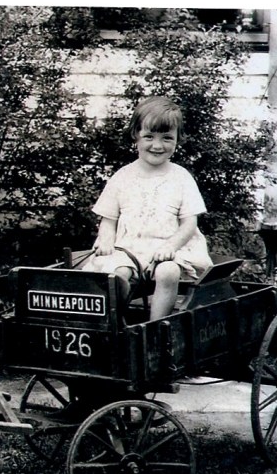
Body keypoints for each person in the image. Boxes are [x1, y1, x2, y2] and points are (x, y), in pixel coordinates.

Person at [84, 96, 212, 321]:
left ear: (177, 140)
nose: (157, 145)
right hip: (129, 248)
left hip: (170, 249)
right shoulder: (122, 176)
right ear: (136, 135)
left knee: (168, 271)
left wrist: (171, 246)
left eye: (167, 138)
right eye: (149, 137)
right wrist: (105, 238)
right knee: (118, 275)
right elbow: (109, 218)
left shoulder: (181, 177)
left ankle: (156, 328)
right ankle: (114, 324)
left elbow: (190, 223)